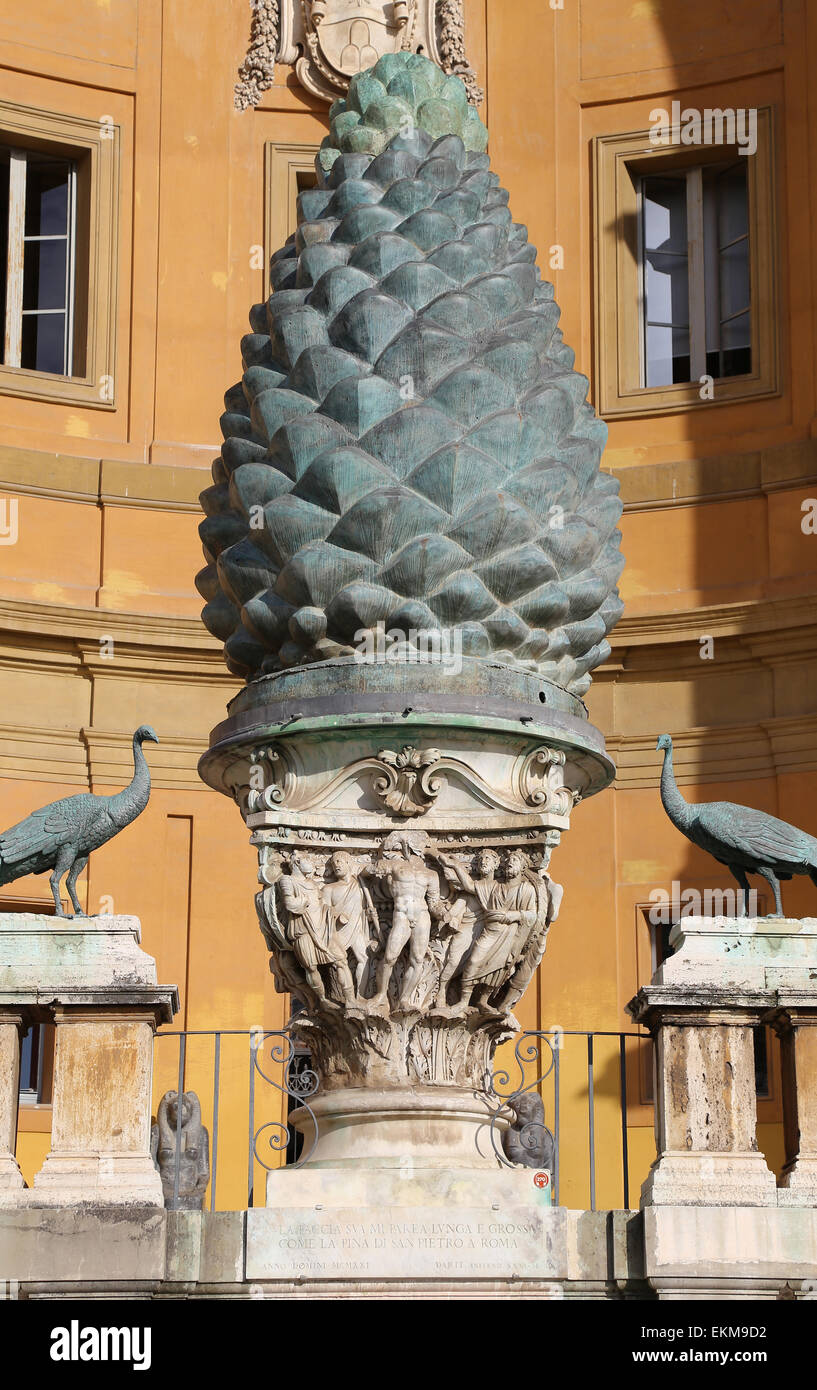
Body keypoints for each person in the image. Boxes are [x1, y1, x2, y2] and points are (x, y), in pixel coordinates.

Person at [369, 831, 446, 1010]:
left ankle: (405, 999)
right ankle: (381, 995)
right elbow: (369, 871)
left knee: (417, 959)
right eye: (419, 845)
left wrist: (444, 914)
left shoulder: (430, 874)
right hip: (402, 915)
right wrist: (376, 867)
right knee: (389, 957)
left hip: (422, 916)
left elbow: (434, 903)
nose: (422, 849)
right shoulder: (396, 866)